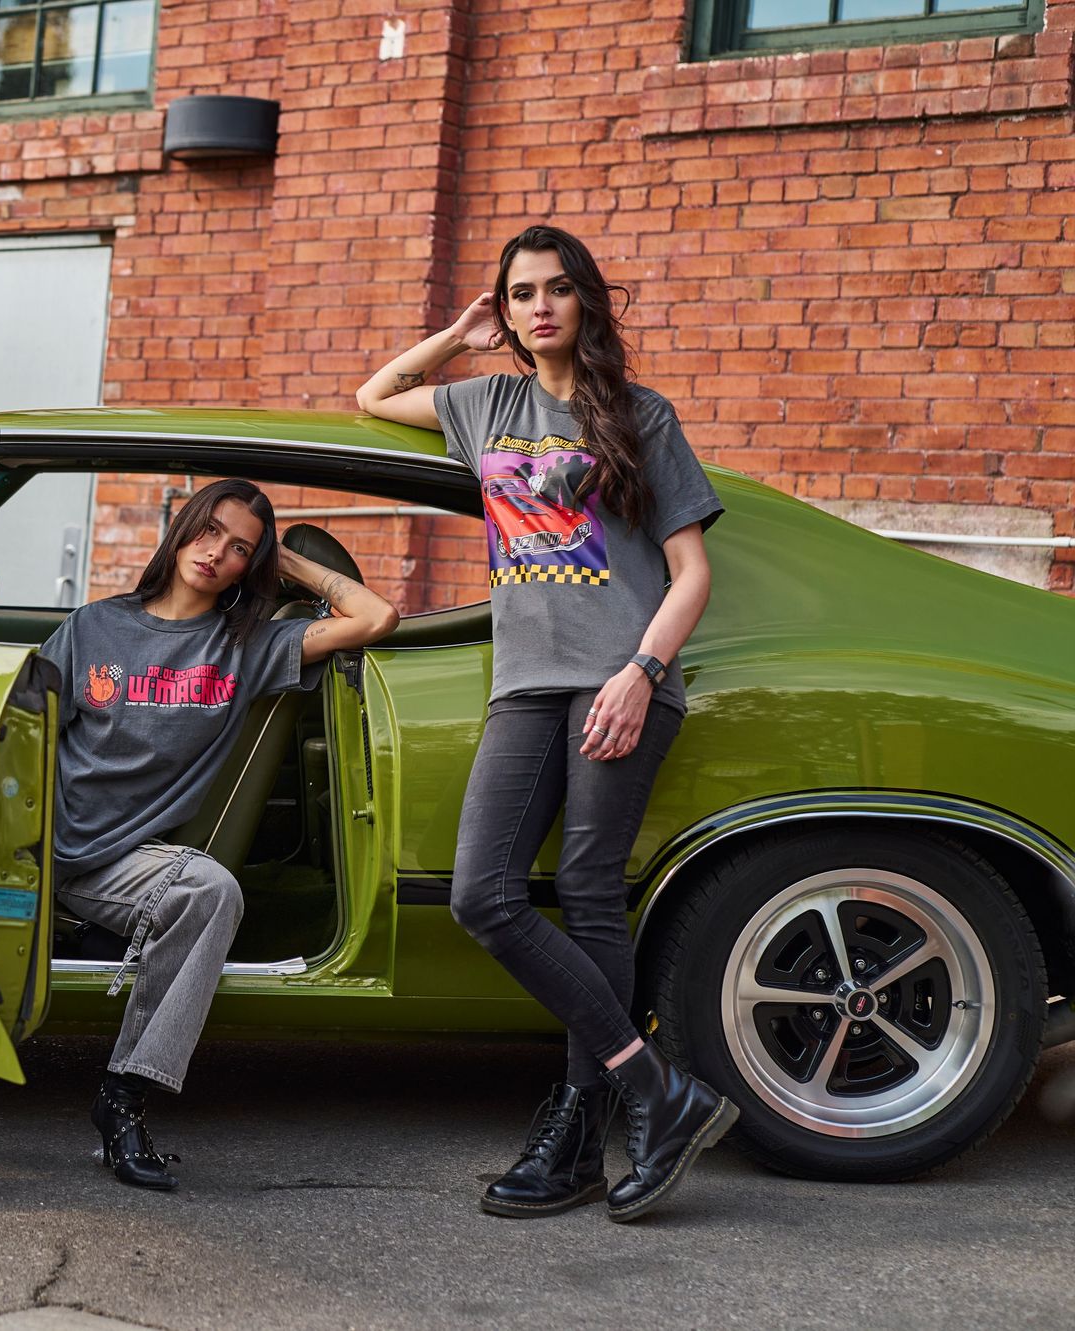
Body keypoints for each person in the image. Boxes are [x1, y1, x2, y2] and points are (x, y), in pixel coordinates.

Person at [0, 478, 400, 1214]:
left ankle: (124, 1098)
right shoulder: (94, 627)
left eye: (240, 548)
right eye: (210, 531)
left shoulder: (247, 646)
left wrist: (289, 560)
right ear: (182, 529)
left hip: (120, 863)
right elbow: (22, 733)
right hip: (30, 847)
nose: (217, 552)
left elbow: (377, 616)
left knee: (211, 891)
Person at [356, 224, 732, 1223]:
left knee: (587, 891)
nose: (538, 306)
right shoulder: (487, 403)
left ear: (585, 301)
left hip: (619, 677)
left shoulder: (641, 416)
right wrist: (456, 334)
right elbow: (373, 396)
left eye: (556, 288)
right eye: (520, 292)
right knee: (484, 893)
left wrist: (641, 674)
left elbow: (691, 571)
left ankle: (578, 1130)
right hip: (523, 682)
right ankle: (656, 1090)